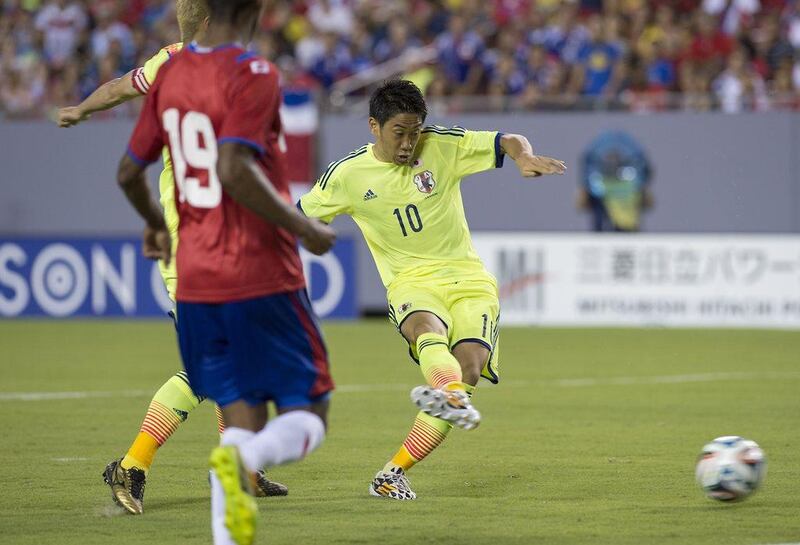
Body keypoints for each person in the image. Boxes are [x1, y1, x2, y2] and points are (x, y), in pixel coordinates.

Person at [116, 0, 339, 542]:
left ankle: (230, 491)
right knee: (309, 408)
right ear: (254, 11)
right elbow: (232, 167)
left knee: (230, 397)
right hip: (257, 264)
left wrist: (155, 223)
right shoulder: (255, 71)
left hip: (193, 270)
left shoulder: (168, 73)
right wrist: (303, 227)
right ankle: (238, 461)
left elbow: (128, 171)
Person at [56, 0, 288, 514]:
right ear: (211, 23)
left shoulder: (171, 61)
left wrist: (80, 108)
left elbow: (119, 88)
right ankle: (132, 465)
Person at [298, 79, 565, 500]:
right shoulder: (348, 175)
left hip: (469, 279)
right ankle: (452, 393)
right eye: (398, 133)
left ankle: (391, 473)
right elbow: (303, 216)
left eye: (415, 132)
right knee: (427, 331)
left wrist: (525, 157)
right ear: (373, 126)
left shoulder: (442, 145)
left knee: (471, 365)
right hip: (411, 281)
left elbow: (509, 140)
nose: (408, 144)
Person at [576, 130, 654, 232]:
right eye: (610, 160)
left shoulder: (633, 178)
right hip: (601, 208)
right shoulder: (596, 184)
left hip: (629, 225)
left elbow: (643, 175)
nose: (613, 162)